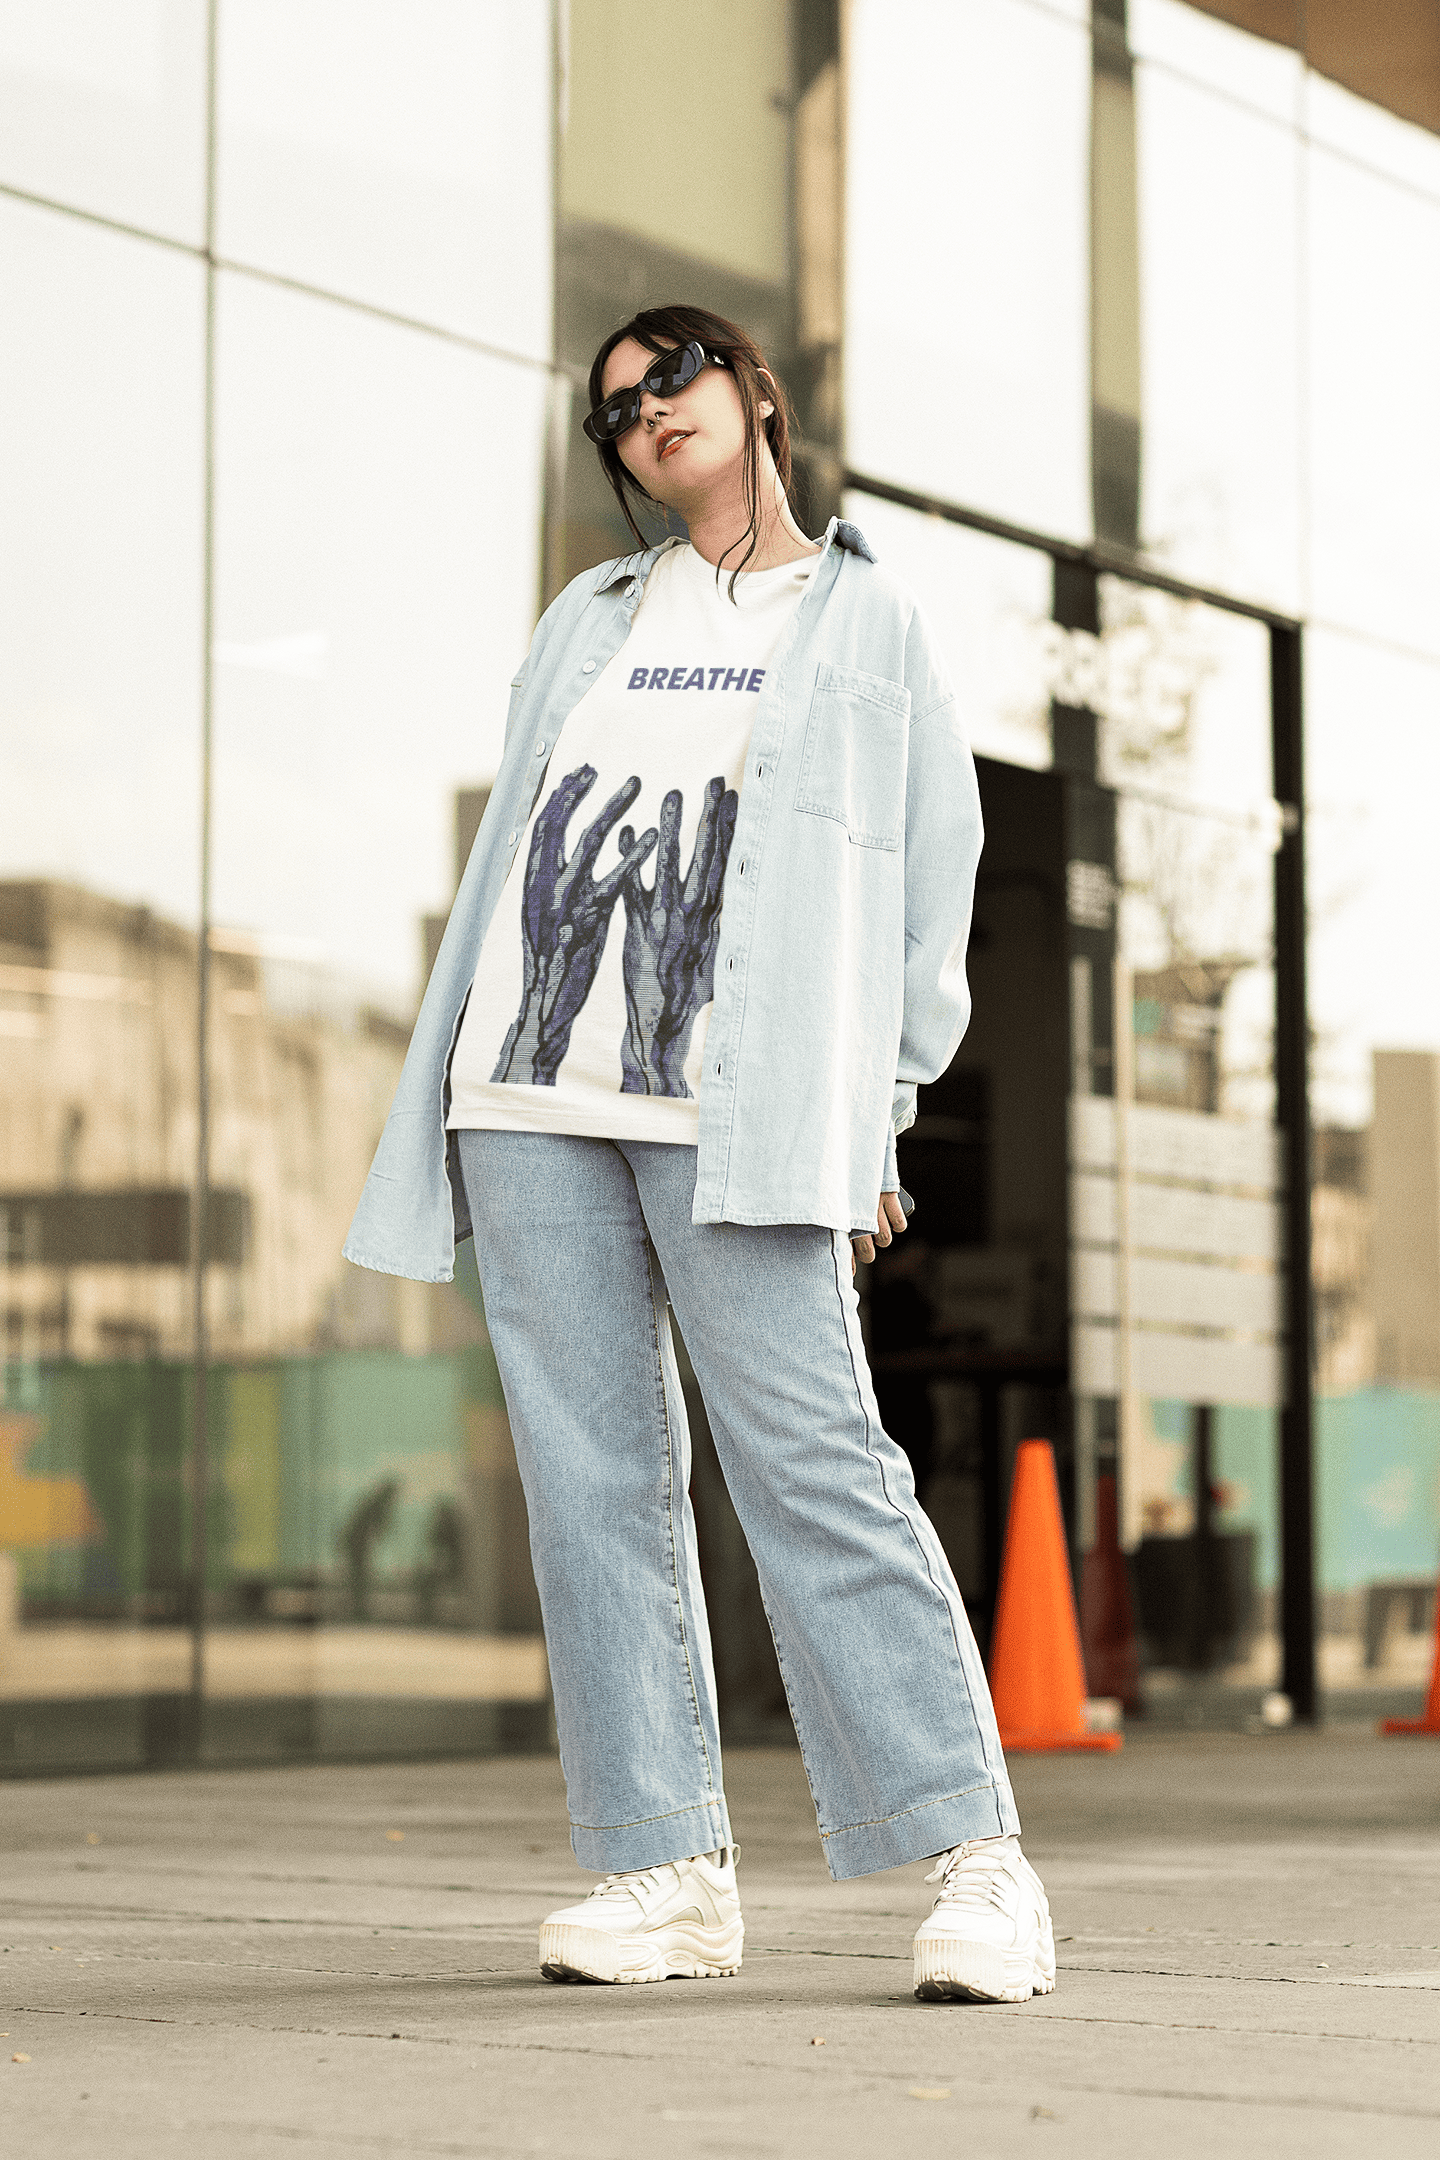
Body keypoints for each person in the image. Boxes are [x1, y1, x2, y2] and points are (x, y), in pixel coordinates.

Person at [344, 304, 1054, 2005]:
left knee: (817, 1465)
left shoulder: (867, 620)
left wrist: (879, 1110)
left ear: (751, 394)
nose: (649, 412)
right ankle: (663, 1868)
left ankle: (979, 1858)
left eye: (673, 377)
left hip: (736, 1108)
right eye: (618, 411)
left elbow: (926, 911)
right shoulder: (588, 617)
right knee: (593, 1488)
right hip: (527, 1090)